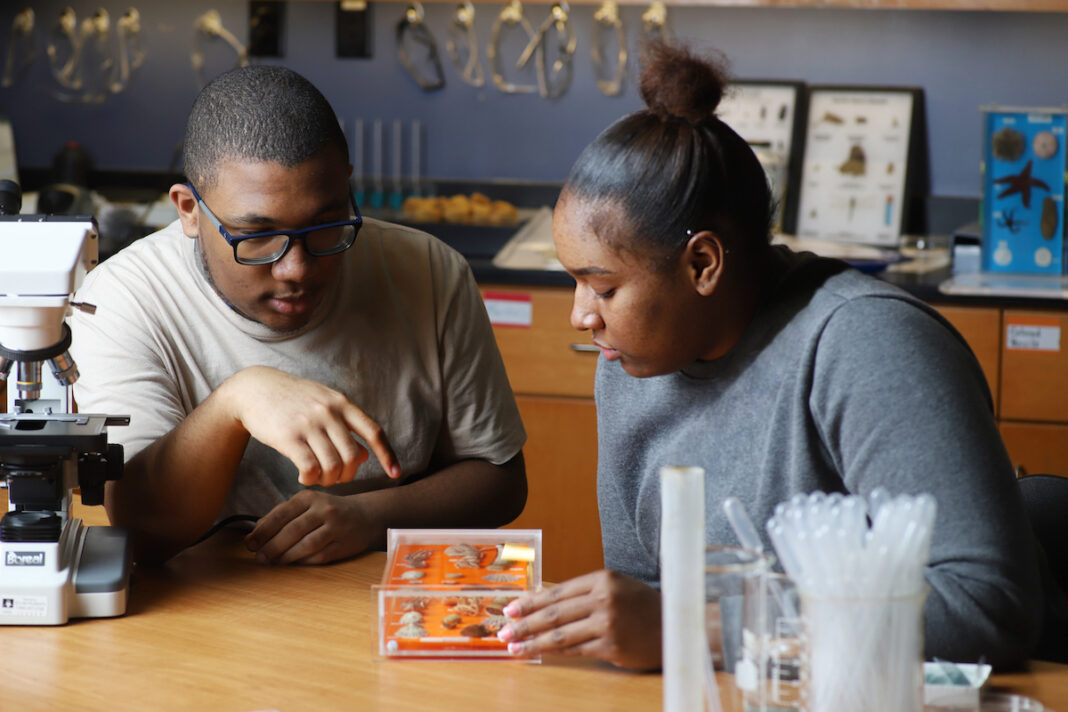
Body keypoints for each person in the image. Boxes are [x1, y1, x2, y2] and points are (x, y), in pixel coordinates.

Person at [495, 42, 1048, 670]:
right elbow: (648, 600)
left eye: (604, 287)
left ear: (702, 263)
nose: (580, 315)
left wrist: (692, 629)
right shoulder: (633, 359)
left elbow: (987, 605)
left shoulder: (866, 344)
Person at [69, 66, 527, 566]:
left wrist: (371, 518)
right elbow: (140, 527)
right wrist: (234, 403)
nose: (296, 269)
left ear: (347, 187)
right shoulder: (122, 298)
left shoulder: (431, 272)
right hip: (207, 606)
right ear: (188, 210)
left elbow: (501, 480)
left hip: (384, 592)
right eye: (256, 235)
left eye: (326, 225)